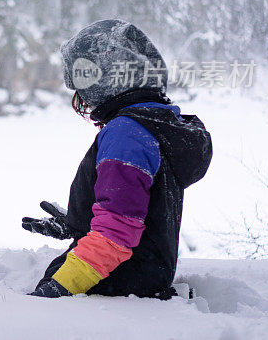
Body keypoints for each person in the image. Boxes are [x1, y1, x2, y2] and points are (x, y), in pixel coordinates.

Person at [23, 19, 212, 298]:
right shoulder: (155, 125)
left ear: (104, 78)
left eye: (83, 82)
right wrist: (77, 221)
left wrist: (60, 288)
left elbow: (117, 233)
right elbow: (140, 209)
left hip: (113, 288)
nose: (82, 100)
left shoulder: (127, 134)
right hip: (140, 279)